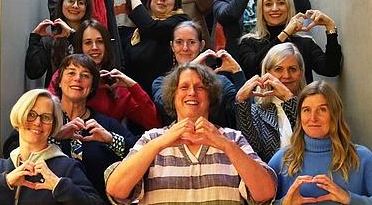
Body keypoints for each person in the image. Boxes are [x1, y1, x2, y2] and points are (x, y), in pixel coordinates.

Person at [105, 64, 277, 204]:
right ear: (173, 96)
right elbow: (116, 190)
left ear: (211, 97)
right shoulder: (152, 138)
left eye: (200, 87)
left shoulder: (233, 138)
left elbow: (265, 193)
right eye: (184, 87)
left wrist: (225, 145)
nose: (192, 93)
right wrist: (159, 144)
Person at [0, 89, 104, 204]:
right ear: (19, 116)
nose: (37, 122)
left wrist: (59, 186)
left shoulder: (67, 167)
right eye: (31, 114)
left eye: (46, 117)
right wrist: (6, 182)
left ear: (53, 125)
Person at [268, 81, 372, 204]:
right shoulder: (281, 159)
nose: (313, 118)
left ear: (335, 114)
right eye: (306, 110)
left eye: (322, 110)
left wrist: (350, 199)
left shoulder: (361, 157)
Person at [51, 54, 137, 202]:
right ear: (59, 82)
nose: (77, 78)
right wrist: (54, 136)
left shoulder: (106, 124)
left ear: (91, 87)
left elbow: (139, 153)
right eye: (71, 72)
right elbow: (14, 146)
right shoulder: (45, 118)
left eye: (85, 75)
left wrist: (111, 139)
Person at [47, 19, 161, 131]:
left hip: (107, 144)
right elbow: (47, 112)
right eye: (88, 42)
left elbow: (153, 123)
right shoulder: (65, 76)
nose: (95, 47)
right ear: (80, 46)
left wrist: (133, 86)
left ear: (107, 46)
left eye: (100, 41)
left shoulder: (118, 84)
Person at [239, 0, 342, 82]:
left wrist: (330, 27)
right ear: (261, 9)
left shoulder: (305, 43)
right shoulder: (248, 42)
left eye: (281, 3)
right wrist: (285, 33)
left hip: (299, 99)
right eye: (268, 4)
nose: (275, 8)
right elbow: (252, 68)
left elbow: (331, 70)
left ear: (289, 7)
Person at [152, 20, 246, 128]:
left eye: (192, 42)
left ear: (201, 45)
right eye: (179, 42)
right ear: (172, 46)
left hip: (216, 139)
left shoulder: (220, 81)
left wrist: (238, 72)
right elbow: (166, 106)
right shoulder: (160, 82)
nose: (185, 48)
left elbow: (240, 111)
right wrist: (190, 68)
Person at [236, 42, 306, 162]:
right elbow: (253, 152)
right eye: (278, 69)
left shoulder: (311, 104)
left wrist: (289, 99)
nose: (286, 75)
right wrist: (241, 102)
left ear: (301, 73)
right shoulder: (256, 110)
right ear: (267, 73)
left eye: (292, 69)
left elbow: (309, 143)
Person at [124, 0, 189, 96]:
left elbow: (151, 28)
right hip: (139, 96)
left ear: (176, 3)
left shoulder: (180, 22)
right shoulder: (138, 31)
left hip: (167, 93)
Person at [26, 0, 92, 87]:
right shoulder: (52, 39)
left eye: (81, 3)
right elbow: (33, 73)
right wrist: (35, 38)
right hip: (56, 99)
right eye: (70, 1)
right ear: (61, 4)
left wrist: (71, 35)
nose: (75, 6)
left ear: (86, 8)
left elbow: (93, 64)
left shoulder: (93, 34)